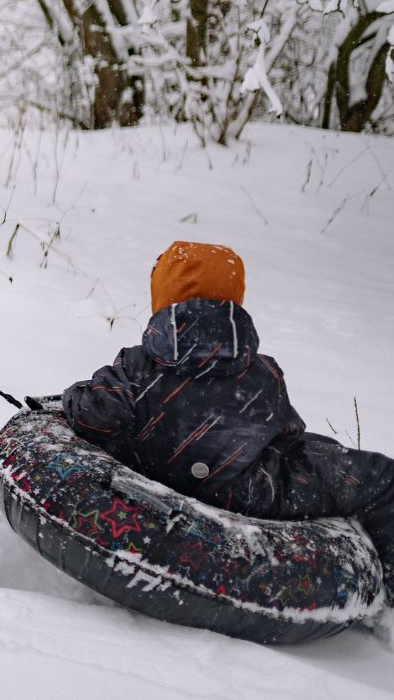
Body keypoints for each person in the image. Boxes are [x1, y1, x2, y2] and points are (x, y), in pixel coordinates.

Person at [56, 241, 392, 590]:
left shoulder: (136, 366)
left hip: (154, 471)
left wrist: (73, 396)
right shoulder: (264, 373)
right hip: (249, 493)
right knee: (379, 477)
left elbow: (95, 414)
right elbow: (288, 434)